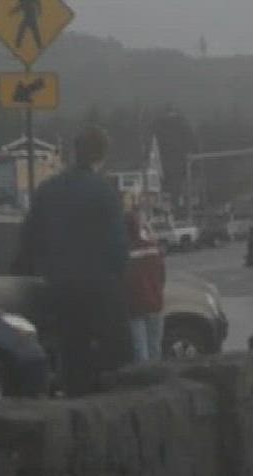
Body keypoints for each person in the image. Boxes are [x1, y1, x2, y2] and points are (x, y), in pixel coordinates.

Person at [15, 127, 131, 394]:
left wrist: (41, 269)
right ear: (101, 156)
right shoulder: (104, 192)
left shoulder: (47, 191)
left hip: (60, 286)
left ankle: (75, 401)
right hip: (99, 285)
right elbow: (117, 246)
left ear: (73, 153)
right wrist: (118, 275)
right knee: (116, 354)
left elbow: (29, 238)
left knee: (71, 350)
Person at [123, 208, 167, 363]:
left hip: (135, 307)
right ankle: (157, 383)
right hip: (155, 303)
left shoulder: (123, 251)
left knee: (140, 352)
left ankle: (146, 384)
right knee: (155, 349)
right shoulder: (153, 247)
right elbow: (162, 276)